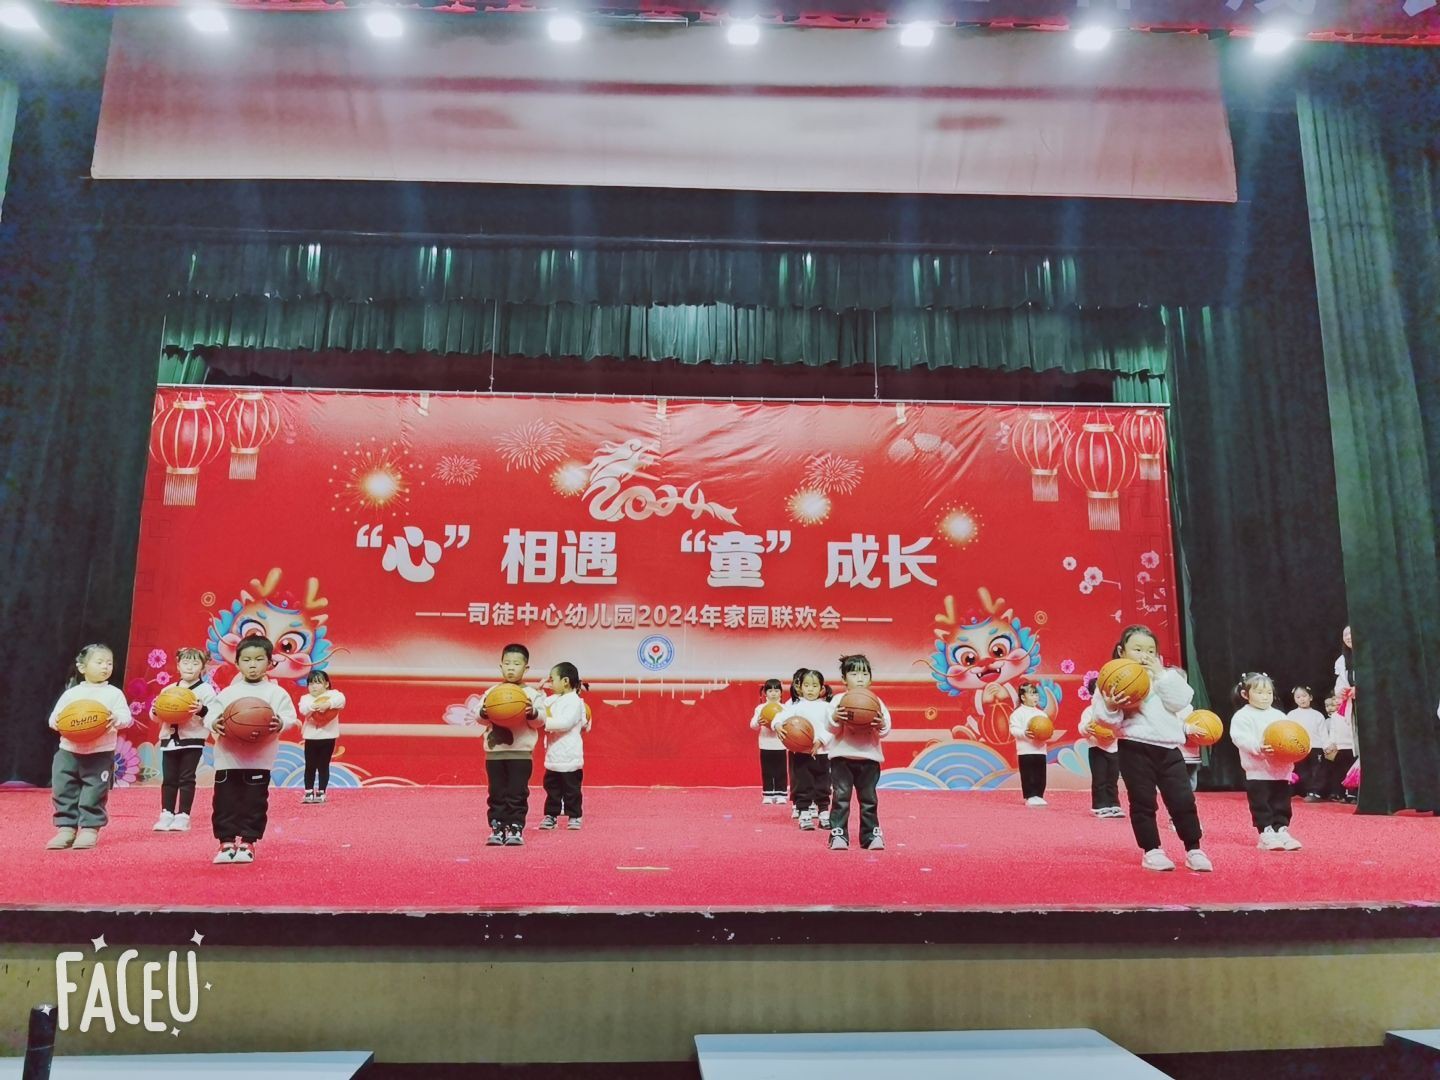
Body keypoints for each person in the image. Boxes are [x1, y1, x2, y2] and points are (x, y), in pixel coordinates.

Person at [1091, 625, 1213, 873]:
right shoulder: (1112, 678)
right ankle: (1152, 850)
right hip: (1134, 748)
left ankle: (1193, 849)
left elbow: (1181, 701)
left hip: (1169, 749)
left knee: (1183, 800)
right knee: (1143, 801)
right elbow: (1106, 722)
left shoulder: (1165, 678)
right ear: (1121, 651)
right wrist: (1111, 705)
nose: (1144, 655)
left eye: (1150, 651)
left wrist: (1162, 675)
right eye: (1137, 649)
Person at [205, 636, 298, 864]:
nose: (253, 665)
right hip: (228, 758)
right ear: (237, 663)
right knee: (224, 801)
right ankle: (226, 842)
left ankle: (248, 842)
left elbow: (290, 717)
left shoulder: (276, 693)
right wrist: (214, 723)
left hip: (259, 759)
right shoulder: (228, 693)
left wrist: (281, 723)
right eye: (246, 660)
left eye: (259, 659)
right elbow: (210, 716)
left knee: (254, 802)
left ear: (270, 662)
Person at [46, 644, 133, 851]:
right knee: (63, 788)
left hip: (99, 753)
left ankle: (89, 828)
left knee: (94, 790)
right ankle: (66, 828)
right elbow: (54, 718)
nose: (105, 667)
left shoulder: (114, 694)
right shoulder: (72, 694)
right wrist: (58, 722)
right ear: (82, 667)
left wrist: (116, 718)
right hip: (68, 751)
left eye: (109, 663)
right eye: (99, 662)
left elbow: (127, 718)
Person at [479, 643, 546, 847]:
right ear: (500, 666)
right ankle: (497, 827)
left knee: (517, 792)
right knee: (496, 792)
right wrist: (484, 712)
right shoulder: (492, 693)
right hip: (495, 754)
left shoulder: (532, 695)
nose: (511, 668)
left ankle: (516, 827)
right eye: (507, 663)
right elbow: (479, 718)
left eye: (516, 664)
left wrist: (532, 713)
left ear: (526, 668)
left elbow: (540, 721)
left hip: (521, 754)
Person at [823, 654, 891, 851]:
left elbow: (885, 730)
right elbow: (830, 728)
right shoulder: (838, 701)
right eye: (854, 674)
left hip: (869, 758)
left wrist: (881, 724)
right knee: (841, 799)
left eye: (864, 674)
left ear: (870, 679)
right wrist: (835, 718)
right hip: (841, 759)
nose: (860, 678)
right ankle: (838, 834)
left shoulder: (875, 701)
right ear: (844, 679)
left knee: (869, 800)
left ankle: (870, 835)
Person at [1229, 672, 1302, 851]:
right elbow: (1240, 738)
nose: (1265, 697)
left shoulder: (1279, 715)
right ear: (1245, 694)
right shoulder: (1242, 716)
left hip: (1281, 770)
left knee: (1282, 802)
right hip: (1258, 770)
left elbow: (1291, 736)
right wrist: (1258, 747)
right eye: (1260, 692)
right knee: (1261, 802)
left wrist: (1295, 752)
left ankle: (1281, 830)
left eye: (1269, 692)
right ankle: (1266, 832)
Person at [153, 646, 217, 832]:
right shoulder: (168, 689)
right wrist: (156, 710)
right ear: (178, 665)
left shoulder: (206, 690)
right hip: (169, 741)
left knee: (187, 778)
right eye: (186, 662)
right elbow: (156, 717)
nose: (190, 667)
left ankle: (183, 815)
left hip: (192, 740)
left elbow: (213, 716)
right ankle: (166, 813)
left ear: (202, 667)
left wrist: (201, 710)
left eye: (195, 663)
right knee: (169, 779)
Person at [770, 669, 834, 832]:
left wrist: (820, 741)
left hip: (822, 753)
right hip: (800, 754)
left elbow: (833, 727)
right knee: (802, 785)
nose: (810, 689)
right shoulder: (795, 706)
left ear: (821, 689)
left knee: (823, 785)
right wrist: (777, 725)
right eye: (807, 685)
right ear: (800, 688)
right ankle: (804, 814)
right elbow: (779, 717)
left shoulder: (827, 707)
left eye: (814, 685)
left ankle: (824, 813)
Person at [539, 662, 587, 831]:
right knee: (552, 788)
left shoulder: (574, 701)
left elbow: (565, 723)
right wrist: (539, 692)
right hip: (554, 755)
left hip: (569, 755)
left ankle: (574, 815)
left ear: (565, 681)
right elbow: (542, 706)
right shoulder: (554, 699)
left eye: (552, 679)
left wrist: (544, 722)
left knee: (571, 789)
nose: (550, 683)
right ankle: (551, 815)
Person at [298, 669, 346, 805]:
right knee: (310, 766)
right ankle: (308, 792)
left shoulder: (333, 695)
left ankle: (321, 792)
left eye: (318, 683)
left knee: (323, 766)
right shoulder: (306, 698)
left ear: (326, 684)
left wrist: (327, 704)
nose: (314, 686)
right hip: (311, 738)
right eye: (311, 683)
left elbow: (341, 700)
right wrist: (315, 706)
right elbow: (303, 709)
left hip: (328, 737)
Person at [1078, 677, 1123, 818]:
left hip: (1114, 748)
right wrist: (1086, 729)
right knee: (1100, 779)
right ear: (1094, 693)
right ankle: (1100, 806)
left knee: (1112, 779)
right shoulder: (1089, 711)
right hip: (1097, 748)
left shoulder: (1115, 710)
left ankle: (1114, 804)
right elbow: (1082, 728)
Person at [1008, 681, 1051, 807]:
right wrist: (1024, 733)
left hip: (1040, 749)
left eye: (1036, 695)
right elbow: (1013, 729)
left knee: (1040, 774)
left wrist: (1047, 734)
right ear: (1023, 697)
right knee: (1028, 774)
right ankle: (1030, 795)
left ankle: (1039, 795)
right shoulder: (1018, 713)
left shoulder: (1042, 714)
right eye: (1031, 695)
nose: (1035, 697)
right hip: (1025, 750)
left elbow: (1047, 729)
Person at [749, 678, 789, 805]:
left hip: (780, 744)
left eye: (776, 691)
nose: (773, 694)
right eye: (770, 691)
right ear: (765, 693)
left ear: (781, 693)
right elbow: (753, 725)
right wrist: (758, 722)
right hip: (765, 744)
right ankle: (768, 794)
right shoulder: (760, 708)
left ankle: (781, 794)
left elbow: (789, 725)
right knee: (767, 771)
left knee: (781, 771)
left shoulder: (784, 708)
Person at [1287, 686, 1327, 802]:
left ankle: (1316, 792)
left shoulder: (1317, 715)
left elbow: (1323, 732)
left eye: (1304, 696)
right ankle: (1305, 791)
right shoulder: (1291, 715)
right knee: (1302, 770)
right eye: (1298, 697)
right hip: (1299, 747)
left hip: (1316, 746)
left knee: (1317, 770)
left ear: (1310, 697)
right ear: (1294, 699)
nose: (1302, 699)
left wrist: (1326, 745)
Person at [1320, 692, 1357, 803]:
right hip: (1340, 747)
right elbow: (1333, 732)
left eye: (1338, 698)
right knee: (1341, 771)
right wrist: (1331, 744)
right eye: (1334, 699)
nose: (1336, 701)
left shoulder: (1352, 713)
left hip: (1353, 747)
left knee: (1352, 772)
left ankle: (1352, 794)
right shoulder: (1335, 716)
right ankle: (1341, 794)